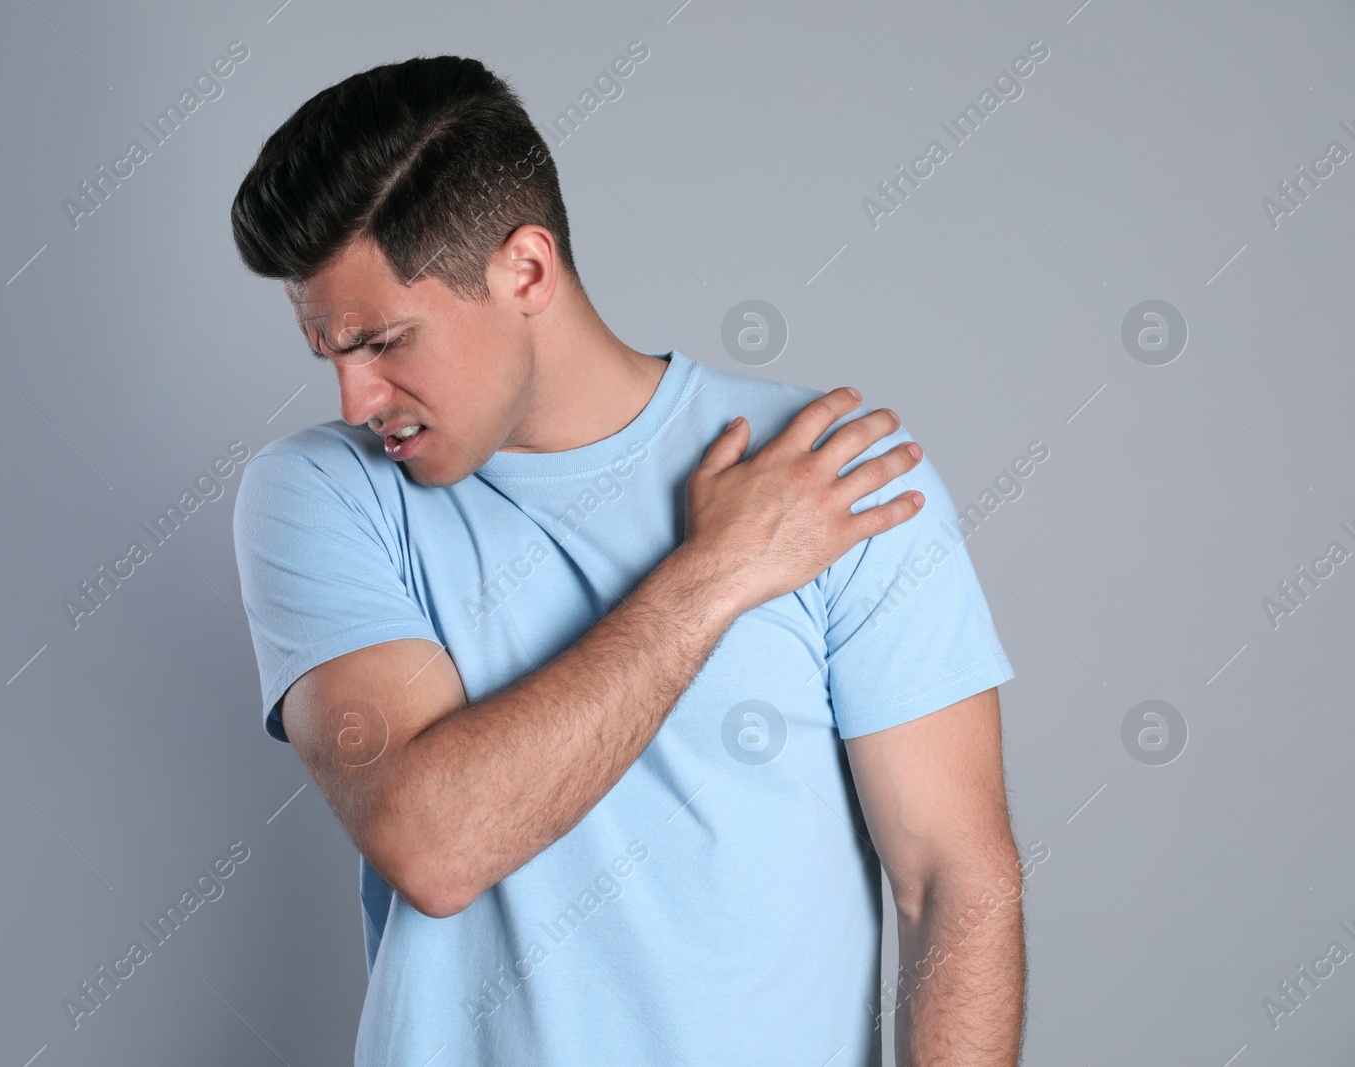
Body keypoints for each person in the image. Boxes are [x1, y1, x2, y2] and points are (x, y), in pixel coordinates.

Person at [229, 54, 1024, 1067]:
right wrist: (719, 569)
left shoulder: (826, 478)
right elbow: (433, 841)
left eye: (382, 341)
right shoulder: (321, 495)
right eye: (328, 352)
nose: (355, 400)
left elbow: (954, 878)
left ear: (525, 269)